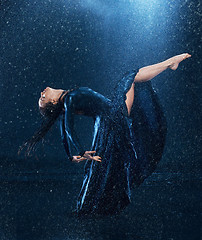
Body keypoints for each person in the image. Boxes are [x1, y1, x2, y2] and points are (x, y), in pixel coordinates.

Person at [18, 53, 191, 215]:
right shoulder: (69, 100)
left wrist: (71, 156)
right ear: (54, 102)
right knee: (128, 78)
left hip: (110, 117)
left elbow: (64, 131)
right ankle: (170, 63)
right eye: (43, 98)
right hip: (112, 117)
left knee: (131, 80)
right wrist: (80, 152)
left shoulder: (68, 98)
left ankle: (170, 63)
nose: (42, 93)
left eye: (40, 97)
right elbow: (68, 129)